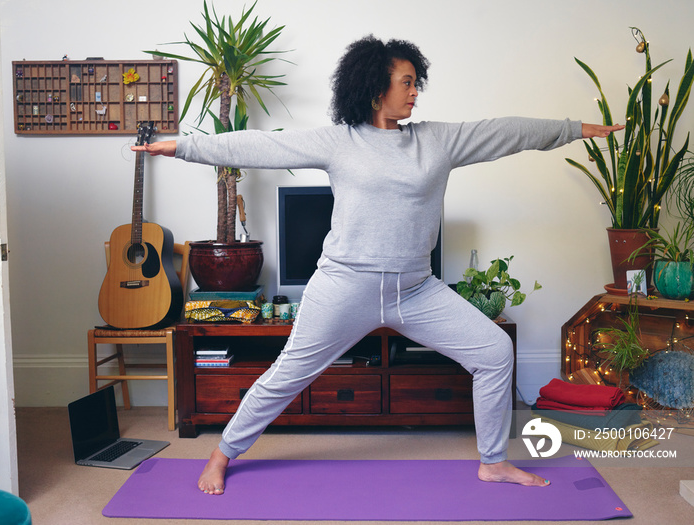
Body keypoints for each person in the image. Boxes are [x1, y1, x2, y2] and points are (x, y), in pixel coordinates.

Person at [133, 36, 623, 495]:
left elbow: (505, 132)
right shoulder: (340, 141)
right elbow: (257, 147)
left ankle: (492, 461)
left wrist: (574, 129)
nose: (415, 93)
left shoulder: (436, 142)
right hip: (346, 285)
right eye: (406, 82)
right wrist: (182, 146)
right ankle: (222, 454)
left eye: (416, 82)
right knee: (288, 375)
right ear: (374, 87)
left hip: (416, 289)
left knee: (494, 351)